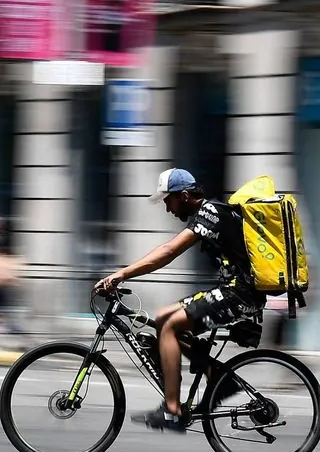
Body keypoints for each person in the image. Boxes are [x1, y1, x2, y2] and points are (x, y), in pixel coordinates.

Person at [95, 168, 261, 432]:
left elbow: (169, 251)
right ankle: (216, 377)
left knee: (171, 327)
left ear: (183, 196)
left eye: (167, 201)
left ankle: (172, 410)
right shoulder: (209, 212)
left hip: (239, 294)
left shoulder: (210, 213)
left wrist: (122, 274)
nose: (167, 208)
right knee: (163, 318)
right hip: (232, 291)